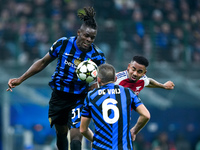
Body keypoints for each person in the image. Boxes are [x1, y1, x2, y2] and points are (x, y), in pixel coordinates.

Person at [7, 7, 106, 150]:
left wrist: (95, 86)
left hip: (79, 98)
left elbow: (101, 79)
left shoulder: (98, 55)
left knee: (76, 137)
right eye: (86, 35)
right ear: (79, 33)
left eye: (92, 38)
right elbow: (42, 62)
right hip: (58, 96)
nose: (89, 40)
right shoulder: (63, 44)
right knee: (61, 133)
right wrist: (20, 79)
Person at [80, 63, 150, 150]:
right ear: (116, 78)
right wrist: (134, 131)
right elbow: (146, 115)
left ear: (98, 80)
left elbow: (83, 129)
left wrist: (95, 140)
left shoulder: (91, 96)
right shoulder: (127, 92)